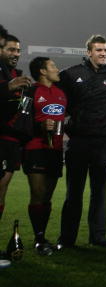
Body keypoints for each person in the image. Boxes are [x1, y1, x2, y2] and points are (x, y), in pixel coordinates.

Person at [56, 35, 106, 249]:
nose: (103, 53)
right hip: (78, 142)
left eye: (105, 50)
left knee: (100, 192)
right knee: (73, 193)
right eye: (98, 50)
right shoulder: (71, 74)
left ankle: (98, 237)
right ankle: (67, 238)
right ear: (88, 52)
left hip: (104, 144)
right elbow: (57, 99)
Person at [23, 57, 67, 256]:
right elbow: (20, 119)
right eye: (53, 67)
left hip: (55, 151)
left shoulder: (61, 94)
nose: (57, 69)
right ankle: (39, 239)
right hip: (35, 149)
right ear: (42, 71)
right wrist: (38, 126)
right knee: (38, 193)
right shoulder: (30, 92)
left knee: (47, 196)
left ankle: (42, 235)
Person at [0, 34, 32, 223]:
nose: (16, 54)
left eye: (18, 50)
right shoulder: (10, 79)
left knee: (2, 189)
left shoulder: (16, 75)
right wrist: (7, 87)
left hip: (10, 140)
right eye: (11, 49)